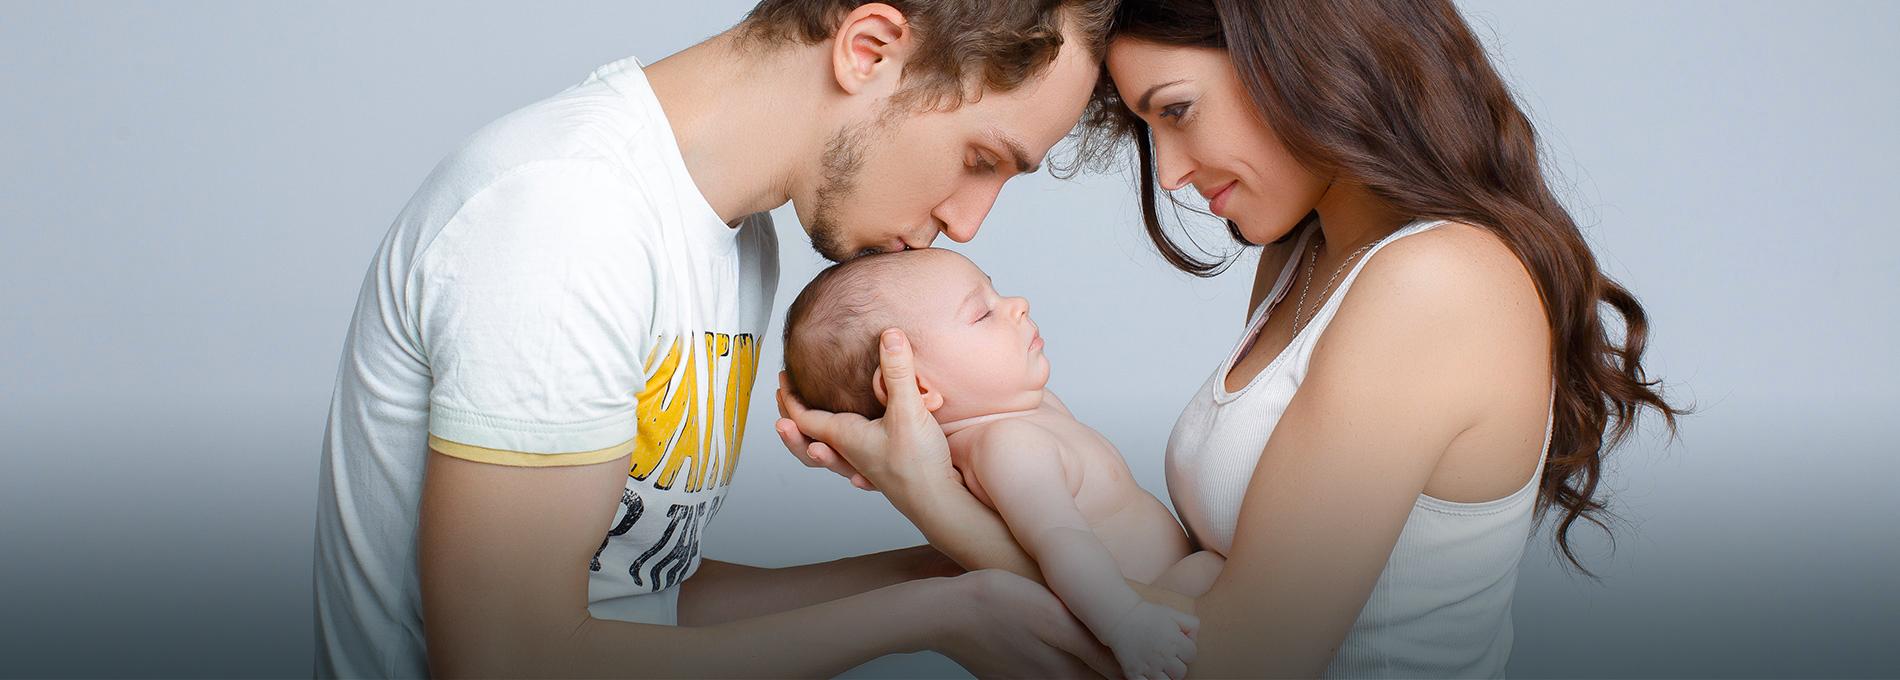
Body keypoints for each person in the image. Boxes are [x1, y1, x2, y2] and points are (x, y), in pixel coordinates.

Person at [779, 0, 1686, 677]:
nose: (1168, 174)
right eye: (1146, 129)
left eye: (1176, 111)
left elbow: (1226, 667)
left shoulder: (1435, 285)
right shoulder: (1302, 260)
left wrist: (934, 497)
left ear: (1300, 57)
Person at [311, 1, 1130, 677]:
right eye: (979, 158)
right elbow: (509, 656)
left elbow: (639, 597)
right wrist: (934, 614)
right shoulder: (567, 218)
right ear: (869, 50)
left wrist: (934, 564)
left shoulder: (738, 243)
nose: (967, 222)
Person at [782, 248, 1222, 680]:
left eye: (996, 293)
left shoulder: (1025, 411)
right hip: (1147, 617)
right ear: (916, 387)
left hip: (1158, 604)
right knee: (1221, 572)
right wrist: (1128, 622)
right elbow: (1061, 542)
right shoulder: (1007, 447)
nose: (1016, 305)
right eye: (982, 314)